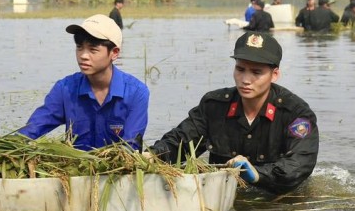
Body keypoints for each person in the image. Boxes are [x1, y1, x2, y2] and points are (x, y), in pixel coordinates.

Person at [147, 31, 319, 194]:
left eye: (256, 72)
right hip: (224, 195)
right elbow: (181, 141)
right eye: (240, 69)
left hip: (276, 198)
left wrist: (258, 174)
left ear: (274, 75)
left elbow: (300, 163)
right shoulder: (214, 106)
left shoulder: (295, 114)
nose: (245, 79)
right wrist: (153, 155)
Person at [19, 14, 149, 151]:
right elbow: (31, 131)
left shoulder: (137, 93)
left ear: (114, 53)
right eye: (79, 47)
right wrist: (7, 145)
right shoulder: (65, 89)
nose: (83, 56)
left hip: (117, 169)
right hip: (76, 169)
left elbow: (130, 147)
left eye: (93, 50)